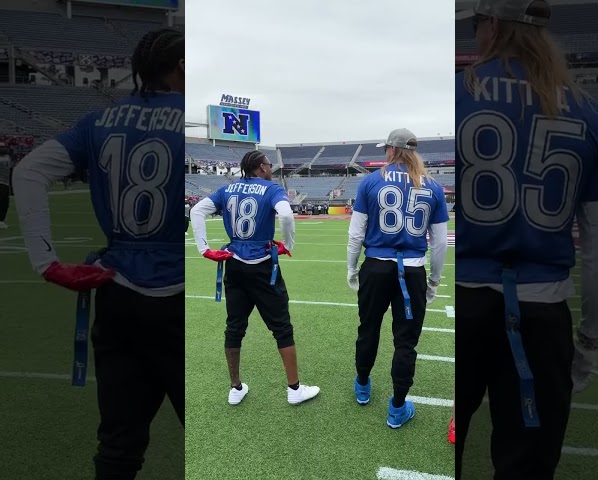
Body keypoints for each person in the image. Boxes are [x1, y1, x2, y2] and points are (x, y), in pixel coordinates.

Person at [455, 1, 598, 479]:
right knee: (526, 465)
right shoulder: (589, 113)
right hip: (540, 311)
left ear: (491, 25)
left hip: (465, 304)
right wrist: (590, 338)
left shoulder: (457, 96)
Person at [12, 28, 185, 480]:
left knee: (118, 444)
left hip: (117, 290)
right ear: (182, 67)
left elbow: (28, 173)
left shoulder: (99, 120)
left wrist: (45, 261)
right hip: (179, 293)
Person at [189, 150, 320, 406]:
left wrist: (204, 248)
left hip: (234, 264)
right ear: (261, 167)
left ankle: (235, 387)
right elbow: (286, 215)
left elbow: (196, 211)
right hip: (262, 266)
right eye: (270, 165)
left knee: (234, 326)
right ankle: (294, 389)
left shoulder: (227, 189)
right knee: (281, 326)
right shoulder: (271, 189)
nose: (272, 169)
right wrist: (288, 244)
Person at [347, 128, 449, 428]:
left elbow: (356, 234)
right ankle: (397, 406)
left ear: (391, 150)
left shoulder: (370, 182)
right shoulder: (433, 186)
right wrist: (434, 280)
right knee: (406, 342)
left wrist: (352, 268)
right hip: (414, 270)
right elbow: (440, 242)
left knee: (368, 328)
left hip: (376, 267)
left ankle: (363, 385)